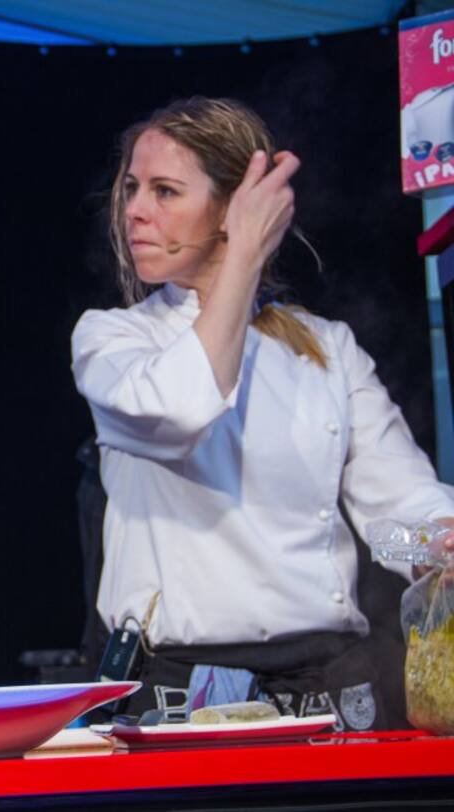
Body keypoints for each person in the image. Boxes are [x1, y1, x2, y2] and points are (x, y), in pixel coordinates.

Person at [71, 97, 454, 731]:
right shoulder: (114, 340)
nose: (134, 209)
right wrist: (244, 256)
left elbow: (391, 519)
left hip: (331, 688)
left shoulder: (326, 347)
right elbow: (182, 409)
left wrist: (437, 543)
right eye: (133, 188)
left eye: (164, 191)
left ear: (234, 207)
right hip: (182, 695)